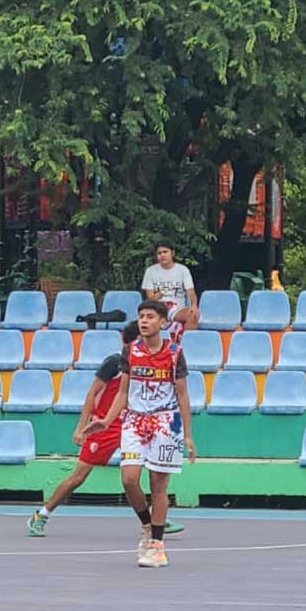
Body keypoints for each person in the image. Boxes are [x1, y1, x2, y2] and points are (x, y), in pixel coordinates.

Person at [27, 325, 185, 537]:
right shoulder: (114, 363)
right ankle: (42, 515)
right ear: (129, 343)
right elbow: (92, 394)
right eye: (140, 340)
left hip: (134, 424)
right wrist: (81, 428)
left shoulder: (153, 363)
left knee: (153, 473)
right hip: (106, 425)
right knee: (79, 476)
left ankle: (155, 518)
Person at [88, 300, 196, 568]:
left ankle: (158, 546)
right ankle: (148, 526)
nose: (144, 321)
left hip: (164, 422)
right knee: (129, 479)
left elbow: (182, 395)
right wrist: (106, 420)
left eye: (150, 316)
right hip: (135, 421)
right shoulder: (130, 352)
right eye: (141, 317)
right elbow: (123, 392)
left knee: (159, 484)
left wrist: (187, 434)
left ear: (162, 322)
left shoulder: (174, 353)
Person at [142, 242, 198, 339]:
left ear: (172, 253)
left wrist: (194, 306)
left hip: (177, 309)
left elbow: (191, 292)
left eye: (165, 252)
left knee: (193, 315)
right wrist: (159, 295)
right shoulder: (150, 271)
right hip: (158, 308)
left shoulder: (183, 270)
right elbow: (150, 299)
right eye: (159, 253)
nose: (162, 255)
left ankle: (185, 347)